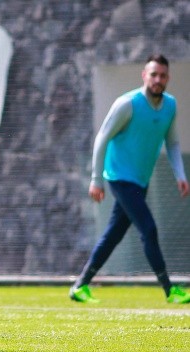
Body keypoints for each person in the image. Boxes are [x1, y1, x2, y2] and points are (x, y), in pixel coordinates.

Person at [69, 54, 190, 304]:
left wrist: (180, 175)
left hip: (140, 181)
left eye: (163, 75)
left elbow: (173, 142)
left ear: (167, 78)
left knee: (114, 234)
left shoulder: (170, 105)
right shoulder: (128, 104)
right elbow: (102, 138)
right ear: (144, 75)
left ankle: (80, 286)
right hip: (119, 177)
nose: (158, 79)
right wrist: (96, 179)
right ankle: (169, 289)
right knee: (149, 229)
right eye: (153, 74)